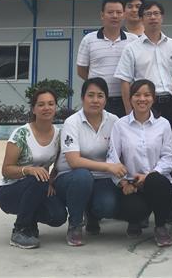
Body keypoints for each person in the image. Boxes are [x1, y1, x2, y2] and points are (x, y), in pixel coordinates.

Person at [106, 79, 172, 247]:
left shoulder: (163, 124)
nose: (142, 99)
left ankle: (160, 226)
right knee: (132, 209)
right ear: (130, 98)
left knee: (156, 181)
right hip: (132, 184)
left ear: (153, 98)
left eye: (147, 95)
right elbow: (113, 159)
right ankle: (136, 220)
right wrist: (123, 182)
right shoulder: (120, 125)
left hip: (157, 182)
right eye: (137, 95)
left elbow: (169, 157)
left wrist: (149, 176)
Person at [114, 0, 172, 179]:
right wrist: (129, 110)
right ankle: (137, 182)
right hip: (145, 104)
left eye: (156, 13)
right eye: (148, 14)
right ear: (142, 18)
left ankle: (169, 189)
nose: (153, 17)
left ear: (162, 17)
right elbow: (125, 81)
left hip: (169, 103)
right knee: (141, 148)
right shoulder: (132, 48)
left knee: (170, 149)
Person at [54, 78, 122, 246]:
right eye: (90, 95)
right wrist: (108, 166)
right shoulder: (72, 122)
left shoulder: (114, 121)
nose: (95, 100)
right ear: (82, 97)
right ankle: (75, 224)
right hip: (71, 177)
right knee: (83, 177)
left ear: (106, 99)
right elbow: (74, 161)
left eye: (100, 95)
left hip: (101, 177)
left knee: (107, 206)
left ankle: (92, 214)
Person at [0, 87, 67, 249]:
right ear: (34, 109)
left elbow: (57, 165)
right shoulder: (21, 134)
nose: (46, 108)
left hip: (39, 186)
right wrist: (28, 170)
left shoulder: (59, 135)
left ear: (56, 107)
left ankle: (30, 222)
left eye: (51, 104)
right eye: (41, 104)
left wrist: (50, 181)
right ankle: (20, 230)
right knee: (37, 178)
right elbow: (6, 170)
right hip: (11, 190)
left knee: (58, 216)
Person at [77, 0, 137, 117]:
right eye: (110, 12)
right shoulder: (89, 40)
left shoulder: (133, 40)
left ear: (124, 15)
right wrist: (97, 84)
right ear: (102, 15)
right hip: (98, 101)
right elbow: (81, 70)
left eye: (119, 12)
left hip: (126, 100)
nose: (115, 16)